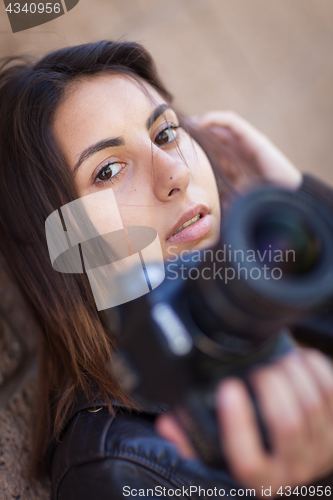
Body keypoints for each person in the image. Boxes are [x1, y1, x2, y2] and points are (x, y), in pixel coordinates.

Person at [0, 40, 332, 499]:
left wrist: (307, 209)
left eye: (165, 134)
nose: (173, 172)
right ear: (58, 247)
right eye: (110, 170)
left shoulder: (283, 300)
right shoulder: (119, 471)